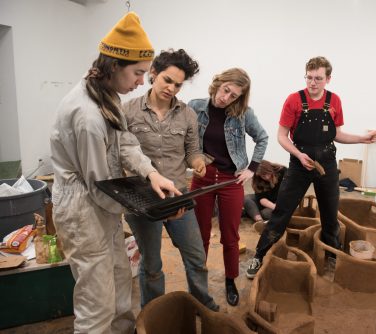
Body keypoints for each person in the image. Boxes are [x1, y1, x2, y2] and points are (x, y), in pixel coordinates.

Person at [50, 13, 182, 333]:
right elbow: (100, 187)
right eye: (138, 73)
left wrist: (152, 175)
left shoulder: (104, 92)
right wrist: (153, 207)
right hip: (83, 208)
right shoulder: (87, 116)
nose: (141, 82)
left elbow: (125, 141)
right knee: (97, 301)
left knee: (120, 280)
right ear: (114, 66)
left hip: (102, 204)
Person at [246, 56, 376, 279]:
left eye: (318, 78)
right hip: (299, 165)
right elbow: (282, 135)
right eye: (309, 78)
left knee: (329, 213)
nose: (313, 83)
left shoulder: (334, 100)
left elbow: (336, 134)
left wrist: (361, 139)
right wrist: (298, 154)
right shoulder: (294, 100)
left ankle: (333, 256)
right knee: (281, 212)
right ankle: (259, 255)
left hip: (326, 164)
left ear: (328, 78)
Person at [122, 49, 219, 311]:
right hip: (142, 201)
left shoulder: (187, 114)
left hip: (178, 196)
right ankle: (153, 314)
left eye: (177, 84)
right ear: (153, 73)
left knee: (196, 257)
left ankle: (203, 305)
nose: (171, 88)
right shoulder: (128, 112)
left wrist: (197, 162)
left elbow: (192, 151)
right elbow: (121, 154)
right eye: (167, 80)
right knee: (152, 265)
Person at [188, 68, 268, 306]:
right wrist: (193, 159)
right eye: (226, 90)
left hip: (230, 179)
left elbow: (262, 137)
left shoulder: (243, 114)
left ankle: (230, 279)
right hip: (202, 177)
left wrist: (252, 169)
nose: (226, 98)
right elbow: (185, 138)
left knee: (230, 235)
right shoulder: (194, 106)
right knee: (199, 234)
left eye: (234, 95)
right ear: (218, 83)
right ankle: (199, 283)